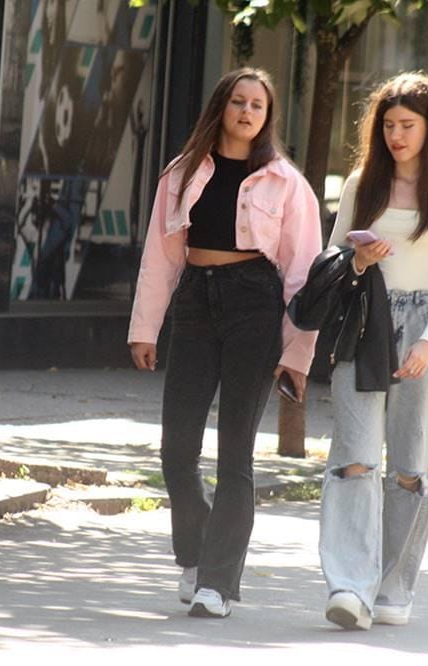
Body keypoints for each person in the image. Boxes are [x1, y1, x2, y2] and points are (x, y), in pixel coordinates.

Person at [128, 68, 322, 618]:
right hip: (195, 302)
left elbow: (302, 274)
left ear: (267, 116)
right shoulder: (182, 172)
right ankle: (195, 555)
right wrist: (144, 328)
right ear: (222, 106)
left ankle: (217, 583)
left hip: (255, 305)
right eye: (238, 101)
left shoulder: (286, 183)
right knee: (176, 451)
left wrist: (297, 353)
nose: (246, 112)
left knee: (236, 453)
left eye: (257, 105)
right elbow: (160, 257)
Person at [320, 73, 428, 629]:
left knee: (410, 469)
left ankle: (392, 586)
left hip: (426, 323)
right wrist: (359, 260)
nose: (396, 136)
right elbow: (332, 255)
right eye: (388, 125)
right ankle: (350, 586)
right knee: (354, 459)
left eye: (407, 125)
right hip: (367, 320)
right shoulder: (362, 183)